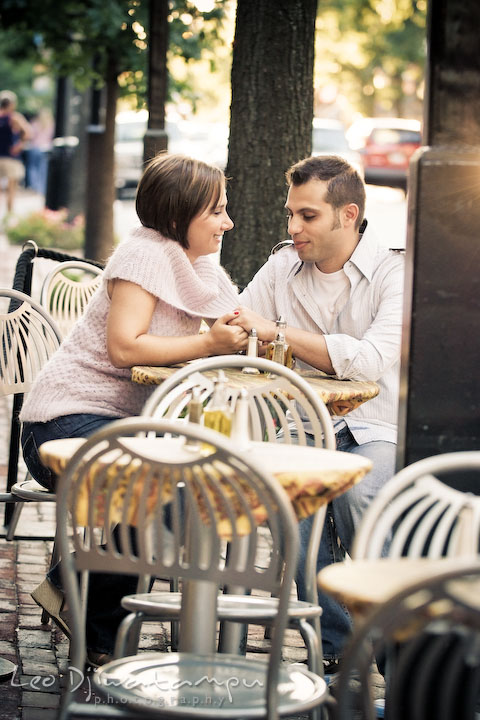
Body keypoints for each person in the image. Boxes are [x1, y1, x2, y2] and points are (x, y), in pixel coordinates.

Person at [20, 152, 248, 666]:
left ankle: (77, 596)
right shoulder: (145, 254)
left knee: (185, 485)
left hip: (122, 423)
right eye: (216, 211)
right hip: (64, 421)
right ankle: (102, 626)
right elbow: (125, 347)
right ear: (177, 214)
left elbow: (231, 320)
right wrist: (208, 344)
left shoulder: (197, 266)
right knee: (162, 485)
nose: (227, 223)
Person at [229, 154, 404, 671]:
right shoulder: (284, 263)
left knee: (361, 495)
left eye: (307, 216)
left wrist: (275, 333)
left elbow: (369, 362)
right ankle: (337, 654)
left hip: (380, 425)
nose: (293, 227)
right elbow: (242, 322)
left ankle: (399, 655)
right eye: (291, 214)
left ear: (347, 215)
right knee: (294, 507)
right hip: (307, 424)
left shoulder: (394, 269)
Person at [0, 90, 32, 214]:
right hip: (11, 157)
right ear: (12, 104)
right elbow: (29, 132)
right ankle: (9, 214)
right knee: (11, 188)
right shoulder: (14, 118)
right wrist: (20, 145)